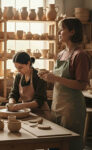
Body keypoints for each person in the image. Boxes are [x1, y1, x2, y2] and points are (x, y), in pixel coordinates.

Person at [39, 17, 91, 150]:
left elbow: (81, 85)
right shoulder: (61, 54)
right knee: (55, 143)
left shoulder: (80, 55)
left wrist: (55, 78)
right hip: (57, 105)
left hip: (71, 109)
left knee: (69, 145)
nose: (59, 33)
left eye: (62, 30)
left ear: (72, 31)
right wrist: (47, 74)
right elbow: (59, 77)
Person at [7, 52, 50, 118]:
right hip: (26, 112)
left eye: (20, 68)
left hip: (41, 113)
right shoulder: (18, 76)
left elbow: (39, 101)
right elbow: (14, 94)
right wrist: (11, 103)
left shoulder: (39, 76)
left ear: (28, 63)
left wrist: (19, 106)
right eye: (16, 68)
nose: (18, 70)